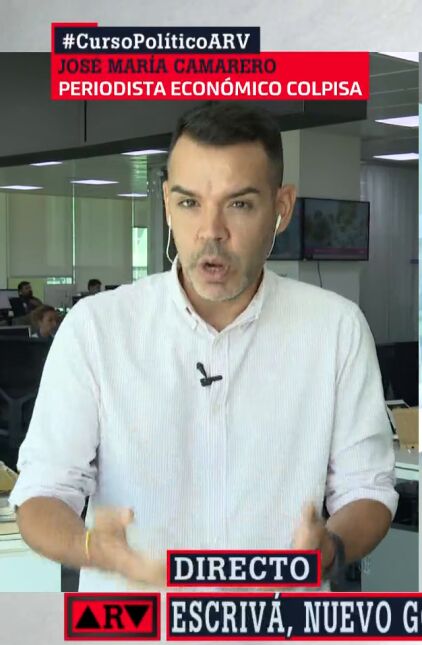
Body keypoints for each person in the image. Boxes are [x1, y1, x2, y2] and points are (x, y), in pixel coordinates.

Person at [10, 102, 398, 591]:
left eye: (239, 204)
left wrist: (330, 548)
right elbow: (41, 493)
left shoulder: (335, 328)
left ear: (281, 208)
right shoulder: (97, 327)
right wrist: (92, 548)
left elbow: (368, 490)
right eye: (190, 202)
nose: (211, 231)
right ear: (167, 203)